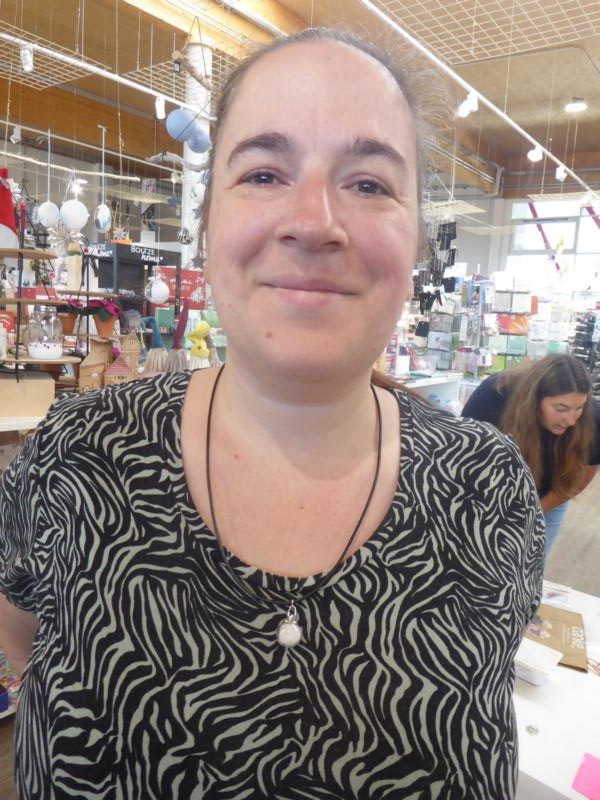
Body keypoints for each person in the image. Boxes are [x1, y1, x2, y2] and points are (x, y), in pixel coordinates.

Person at [0, 28, 544, 800]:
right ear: (208, 222)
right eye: (263, 173)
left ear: (417, 240)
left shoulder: (487, 488)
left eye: (368, 183)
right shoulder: (81, 452)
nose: (313, 221)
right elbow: (25, 646)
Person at [462, 354, 600, 553]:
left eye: (578, 408)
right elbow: (463, 457)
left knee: (532, 560)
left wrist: (532, 512)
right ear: (534, 398)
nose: (571, 421)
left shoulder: (592, 418)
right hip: (486, 493)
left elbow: (581, 477)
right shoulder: (494, 395)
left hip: (548, 496)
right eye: (561, 408)